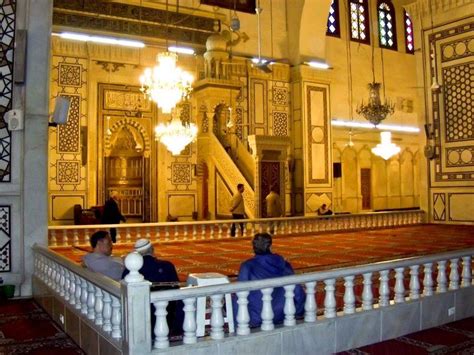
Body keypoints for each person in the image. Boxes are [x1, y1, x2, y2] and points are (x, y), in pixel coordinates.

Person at [232, 233, 305, 327]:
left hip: (256, 318)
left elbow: (239, 295)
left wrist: (237, 323)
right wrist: (299, 312)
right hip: (283, 314)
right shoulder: (284, 264)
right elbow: (298, 292)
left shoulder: (247, 267)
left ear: (253, 247)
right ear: (271, 246)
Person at [122, 239, 184, 336]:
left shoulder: (128, 271)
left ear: (136, 254)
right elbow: (176, 290)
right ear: (152, 250)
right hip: (167, 316)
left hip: (138, 319)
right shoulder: (167, 266)